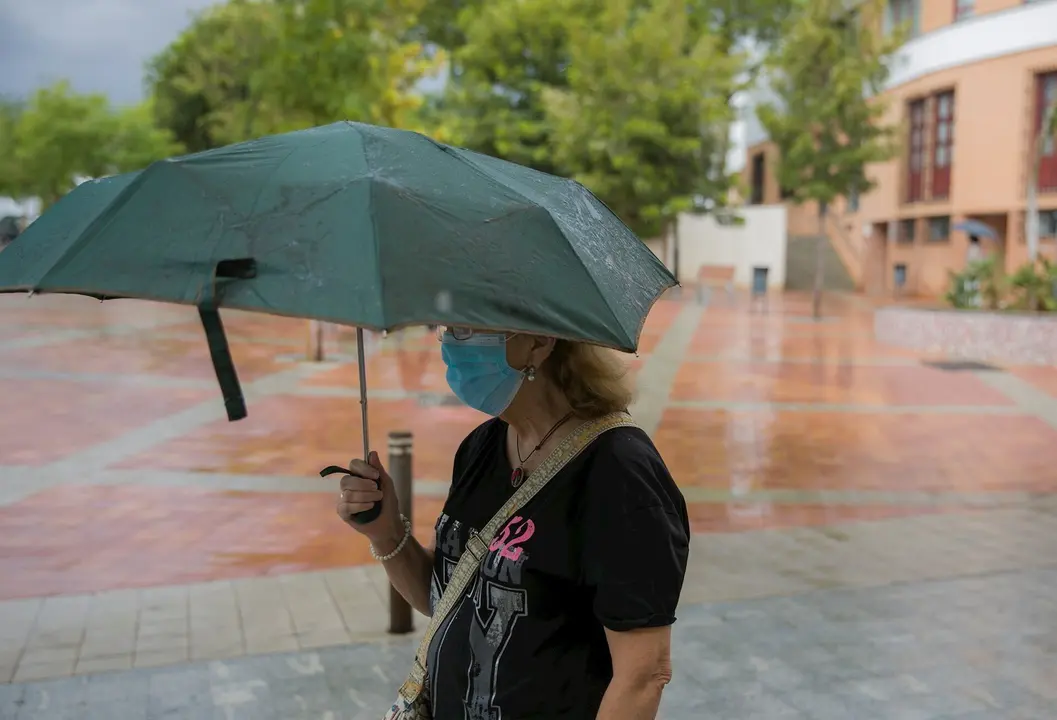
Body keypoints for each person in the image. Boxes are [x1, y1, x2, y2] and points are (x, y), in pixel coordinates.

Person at [334, 327, 690, 719]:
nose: (449, 344)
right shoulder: (481, 447)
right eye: (446, 328)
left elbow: (642, 676)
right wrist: (386, 532)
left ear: (539, 340)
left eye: (468, 328)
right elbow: (442, 599)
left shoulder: (621, 474)